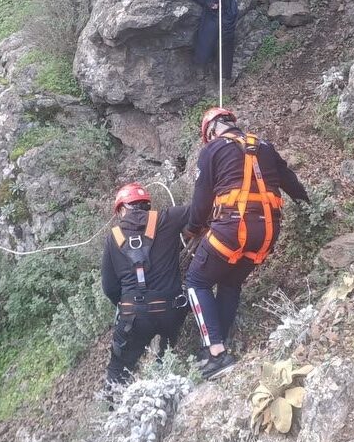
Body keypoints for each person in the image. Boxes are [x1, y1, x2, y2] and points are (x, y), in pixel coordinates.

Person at [185, 108, 309, 379]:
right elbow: (291, 182)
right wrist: (308, 207)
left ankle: (216, 354)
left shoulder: (212, 150)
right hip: (267, 233)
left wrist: (193, 229)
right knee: (230, 283)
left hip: (231, 230)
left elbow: (201, 202)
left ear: (211, 131)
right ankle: (218, 344)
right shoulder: (264, 146)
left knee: (196, 281)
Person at [101, 182, 190, 388]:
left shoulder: (113, 238)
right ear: (147, 205)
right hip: (172, 310)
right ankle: (165, 379)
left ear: (122, 209)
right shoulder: (168, 218)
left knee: (118, 370)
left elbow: (109, 287)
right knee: (166, 356)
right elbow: (201, 209)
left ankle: (115, 400)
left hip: (134, 316)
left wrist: (125, 305)